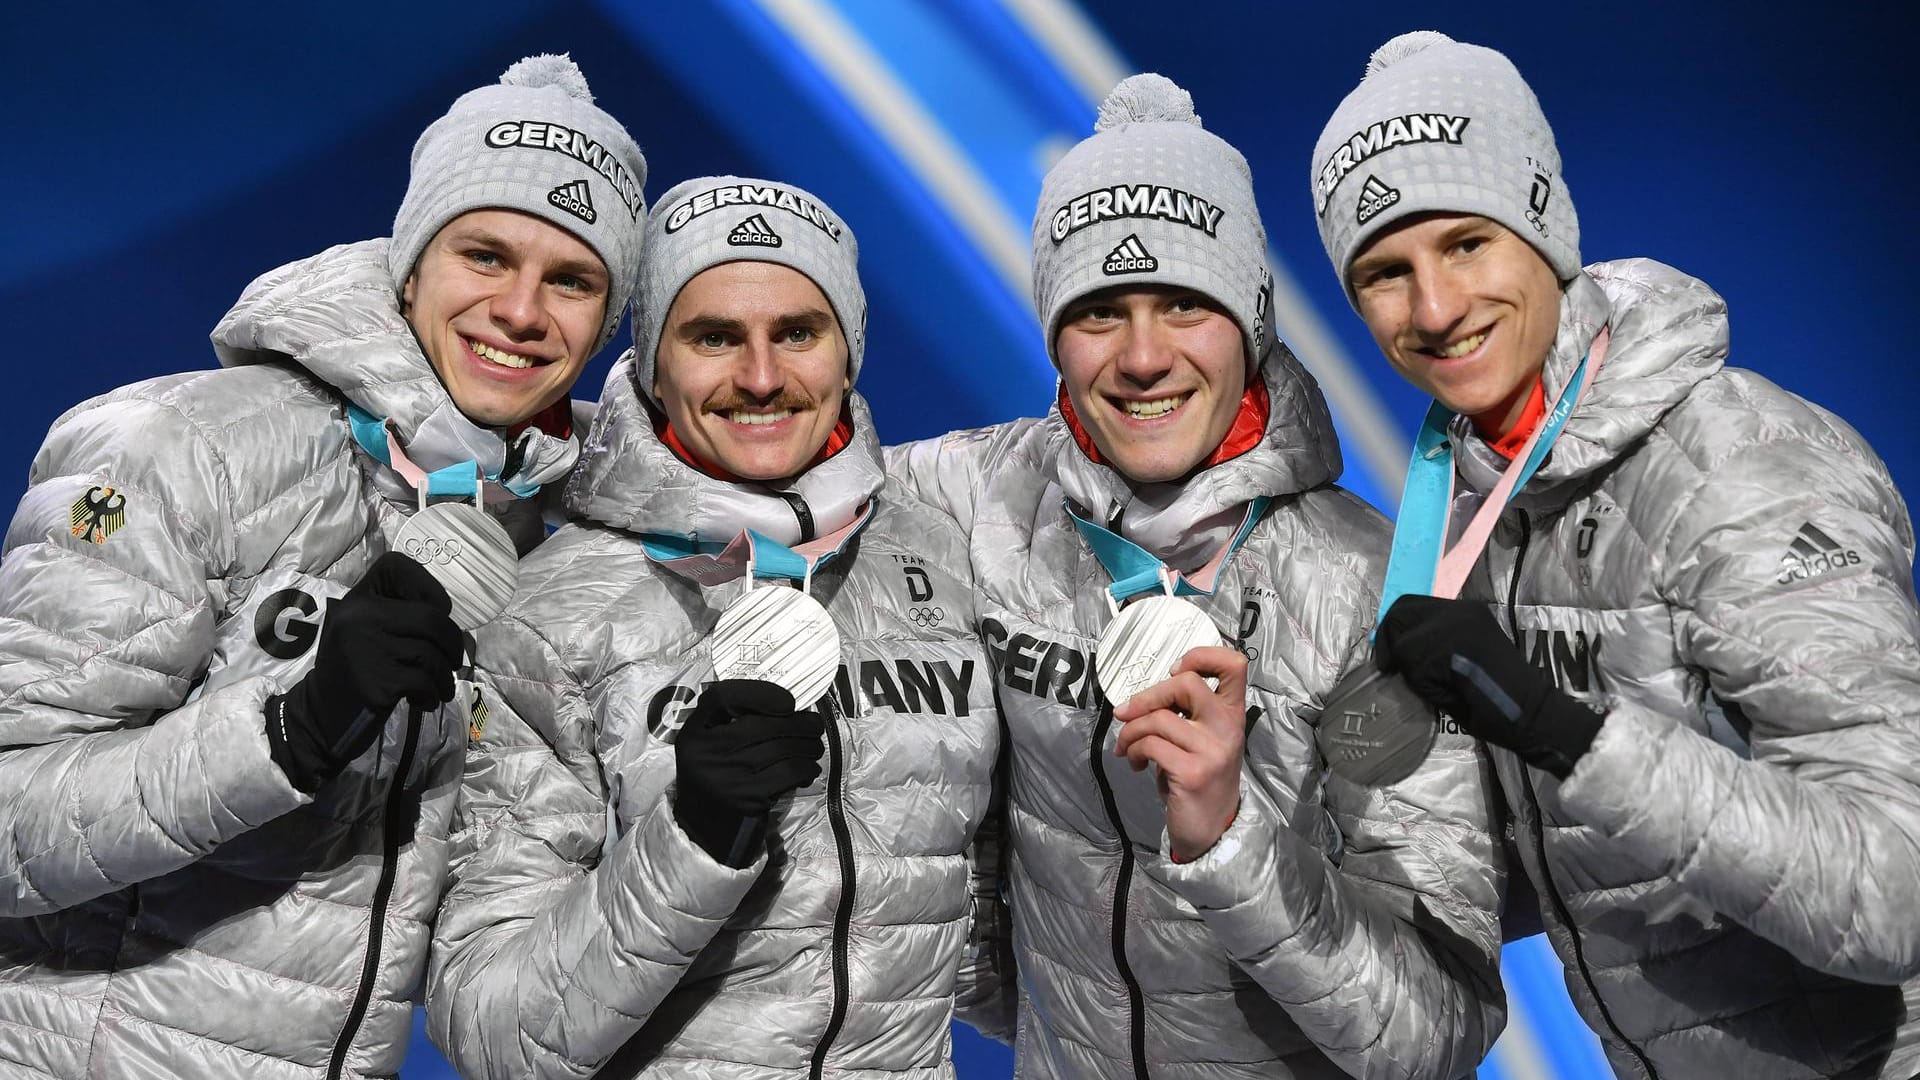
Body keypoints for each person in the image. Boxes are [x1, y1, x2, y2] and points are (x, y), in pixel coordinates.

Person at [0, 55, 645, 1079]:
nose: (522, 312)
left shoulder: (542, 530)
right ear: (412, 264)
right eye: (484, 255)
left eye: (571, 280)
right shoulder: (177, 446)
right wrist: (290, 726)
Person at [1313, 30, 1920, 1079]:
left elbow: (1895, 891)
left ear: (1545, 230)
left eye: (1467, 244)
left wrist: (1560, 732)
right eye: (1383, 272)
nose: (1436, 308)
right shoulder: (1476, 502)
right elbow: (1577, 868)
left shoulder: (1740, 470)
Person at [888, 74, 1503, 1079]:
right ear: (1051, 332)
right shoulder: (973, 496)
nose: (1142, 357)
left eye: (1185, 304)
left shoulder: (1374, 592)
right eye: (1098, 312)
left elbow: (1433, 1036)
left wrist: (1228, 842)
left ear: (1252, 321)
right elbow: (756, 475)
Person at [424, 175, 1005, 1079]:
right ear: (655, 366)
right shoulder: (545, 616)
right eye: (714, 337)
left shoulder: (939, 559)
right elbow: (495, 1032)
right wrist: (692, 837)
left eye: (798, 335)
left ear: (848, 358)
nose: (763, 377)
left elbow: (997, 946)